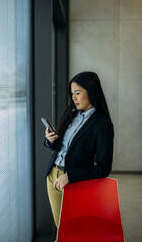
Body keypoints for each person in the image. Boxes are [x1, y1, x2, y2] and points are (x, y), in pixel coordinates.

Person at [44, 71, 114, 236]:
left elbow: (104, 168)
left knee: (74, 230)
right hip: (52, 176)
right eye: (72, 94)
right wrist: (50, 140)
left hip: (74, 182)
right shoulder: (70, 114)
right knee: (60, 228)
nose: (73, 98)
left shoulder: (102, 124)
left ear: (91, 91)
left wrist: (70, 176)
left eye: (77, 93)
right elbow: (59, 148)